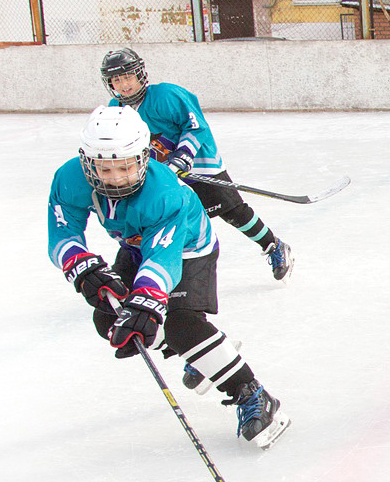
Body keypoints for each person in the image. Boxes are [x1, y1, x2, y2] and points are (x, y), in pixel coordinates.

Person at [47, 106, 291, 450]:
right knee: (110, 320)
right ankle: (204, 353)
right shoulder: (69, 178)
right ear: (87, 162)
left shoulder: (166, 193)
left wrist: (147, 302)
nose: (116, 178)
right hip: (135, 246)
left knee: (179, 322)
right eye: (105, 168)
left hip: (188, 247)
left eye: (125, 167)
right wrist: (82, 266)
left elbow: (163, 259)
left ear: (144, 158)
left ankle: (252, 393)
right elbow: (61, 233)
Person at [100, 48, 295, 283]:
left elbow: (195, 125)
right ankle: (130, 271)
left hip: (199, 163)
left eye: (128, 76)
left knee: (233, 211)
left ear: (140, 74)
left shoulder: (166, 95)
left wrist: (184, 155)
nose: (124, 85)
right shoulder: (115, 108)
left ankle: (274, 246)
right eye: (117, 80)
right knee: (150, 219)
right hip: (161, 173)